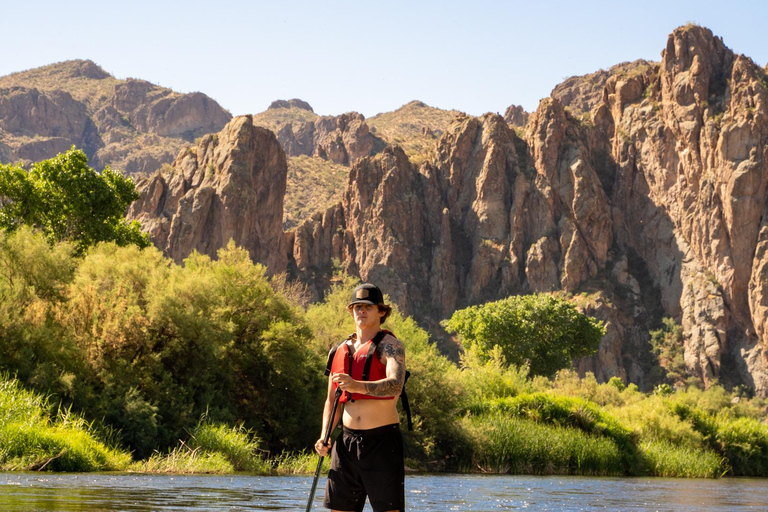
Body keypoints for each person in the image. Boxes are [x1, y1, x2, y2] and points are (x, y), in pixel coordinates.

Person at [314, 283, 407, 512]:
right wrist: (325, 436)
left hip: (382, 443)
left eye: (367, 306)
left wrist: (357, 386)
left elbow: (396, 385)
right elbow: (331, 401)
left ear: (382, 312)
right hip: (345, 445)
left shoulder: (391, 346)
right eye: (356, 307)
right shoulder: (338, 351)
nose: (360, 311)